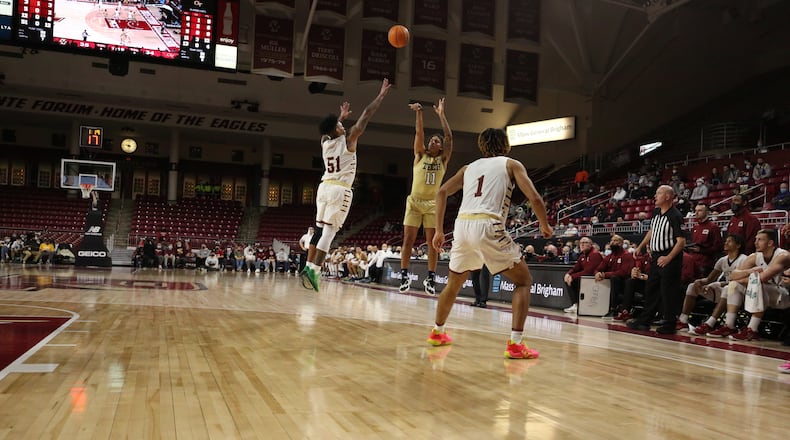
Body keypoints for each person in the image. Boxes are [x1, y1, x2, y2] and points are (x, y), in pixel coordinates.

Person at [426, 128, 553, 359]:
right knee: (523, 281)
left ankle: (437, 332)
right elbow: (534, 197)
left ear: (482, 145)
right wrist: (544, 225)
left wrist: (439, 230)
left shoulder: (468, 168)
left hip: (462, 226)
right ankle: (515, 345)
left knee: (454, 283)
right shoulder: (511, 164)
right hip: (488, 224)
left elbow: (442, 192)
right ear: (506, 144)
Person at [300, 79, 391, 291]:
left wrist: (338, 119)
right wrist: (381, 96)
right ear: (338, 131)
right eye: (341, 125)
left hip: (323, 187)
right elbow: (366, 115)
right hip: (339, 190)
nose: (344, 126)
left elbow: (326, 131)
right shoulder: (348, 140)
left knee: (320, 230)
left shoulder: (325, 142)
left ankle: (308, 265)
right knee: (330, 233)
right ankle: (314, 270)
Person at [398, 98, 453, 295]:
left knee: (432, 243)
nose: (433, 141)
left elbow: (449, 136)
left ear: (441, 147)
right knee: (407, 240)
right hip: (414, 201)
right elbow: (419, 133)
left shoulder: (443, 160)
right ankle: (404, 276)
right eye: (432, 140)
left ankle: (430, 279)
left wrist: (441, 115)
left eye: (436, 141)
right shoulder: (420, 155)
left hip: (431, 204)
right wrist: (419, 113)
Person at [706, 229, 789, 341]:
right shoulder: (755, 256)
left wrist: (744, 278)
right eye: (755, 239)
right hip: (763, 293)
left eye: (760, 240)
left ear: (770, 243)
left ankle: (752, 329)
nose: (755, 242)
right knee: (733, 285)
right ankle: (729, 325)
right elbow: (733, 275)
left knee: (758, 284)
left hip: (783, 295)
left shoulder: (783, 255)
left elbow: (763, 278)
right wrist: (750, 271)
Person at [626, 185, 686, 334]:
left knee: (668, 292)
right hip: (656, 256)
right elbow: (652, 231)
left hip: (670, 257)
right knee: (651, 289)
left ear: (667, 197)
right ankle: (644, 321)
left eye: (659, 193)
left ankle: (669, 323)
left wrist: (669, 257)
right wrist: (640, 246)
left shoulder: (675, 215)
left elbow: (681, 241)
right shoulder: (656, 212)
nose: (655, 196)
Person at [685, 234, 747, 334]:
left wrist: (718, 284)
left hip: (740, 293)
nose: (726, 243)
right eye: (726, 240)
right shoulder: (722, 260)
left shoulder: (744, 259)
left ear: (738, 245)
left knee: (728, 287)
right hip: (726, 291)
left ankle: (710, 324)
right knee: (692, 286)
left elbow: (743, 281)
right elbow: (709, 279)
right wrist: (700, 281)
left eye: (729, 241)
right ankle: (683, 320)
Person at [594, 235, 635, 319]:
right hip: (613, 282)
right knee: (613, 278)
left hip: (625, 282)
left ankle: (616, 309)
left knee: (615, 278)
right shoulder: (609, 256)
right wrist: (597, 273)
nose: (612, 242)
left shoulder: (627, 255)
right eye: (611, 241)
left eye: (615, 240)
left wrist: (605, 274)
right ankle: (610, 309)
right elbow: (598, 268)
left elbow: (624, 272)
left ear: (621, 243)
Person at [562, 236, 603, 314]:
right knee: (567, 279)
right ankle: (575, 304)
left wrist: (572, 276)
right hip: (586, 278)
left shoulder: (595, 254)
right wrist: (568, 274)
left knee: (574, 280)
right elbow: (575, 268)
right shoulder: (582, 256)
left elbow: (589, 271)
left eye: (585, 242)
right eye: (581, 243)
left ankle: (578, 304)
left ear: (591, 244)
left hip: (594, 279)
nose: (582, 244)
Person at [686, 203, 722, 273]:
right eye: (695, 210)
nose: (696, 213)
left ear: (707, 212)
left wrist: (701, 250)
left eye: (699, 211)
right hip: (694, 262)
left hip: (706, 264)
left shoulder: (713, 227)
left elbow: (718, 247)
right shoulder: (695, 227)